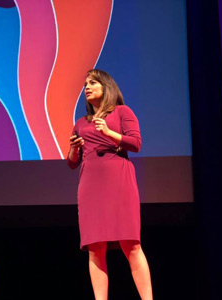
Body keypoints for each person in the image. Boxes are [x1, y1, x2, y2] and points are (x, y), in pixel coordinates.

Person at [67, 69, 153, 300]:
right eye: (85, 84)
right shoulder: (81, 123)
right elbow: (72, 163)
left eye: (93, 82)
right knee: (95, 248)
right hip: (90, 186)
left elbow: (135, 143)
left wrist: (109, 132)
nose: (87, 87)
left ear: (107, 87)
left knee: (131, 244)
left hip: (119, 181)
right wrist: (74, 148)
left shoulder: (123, 112)